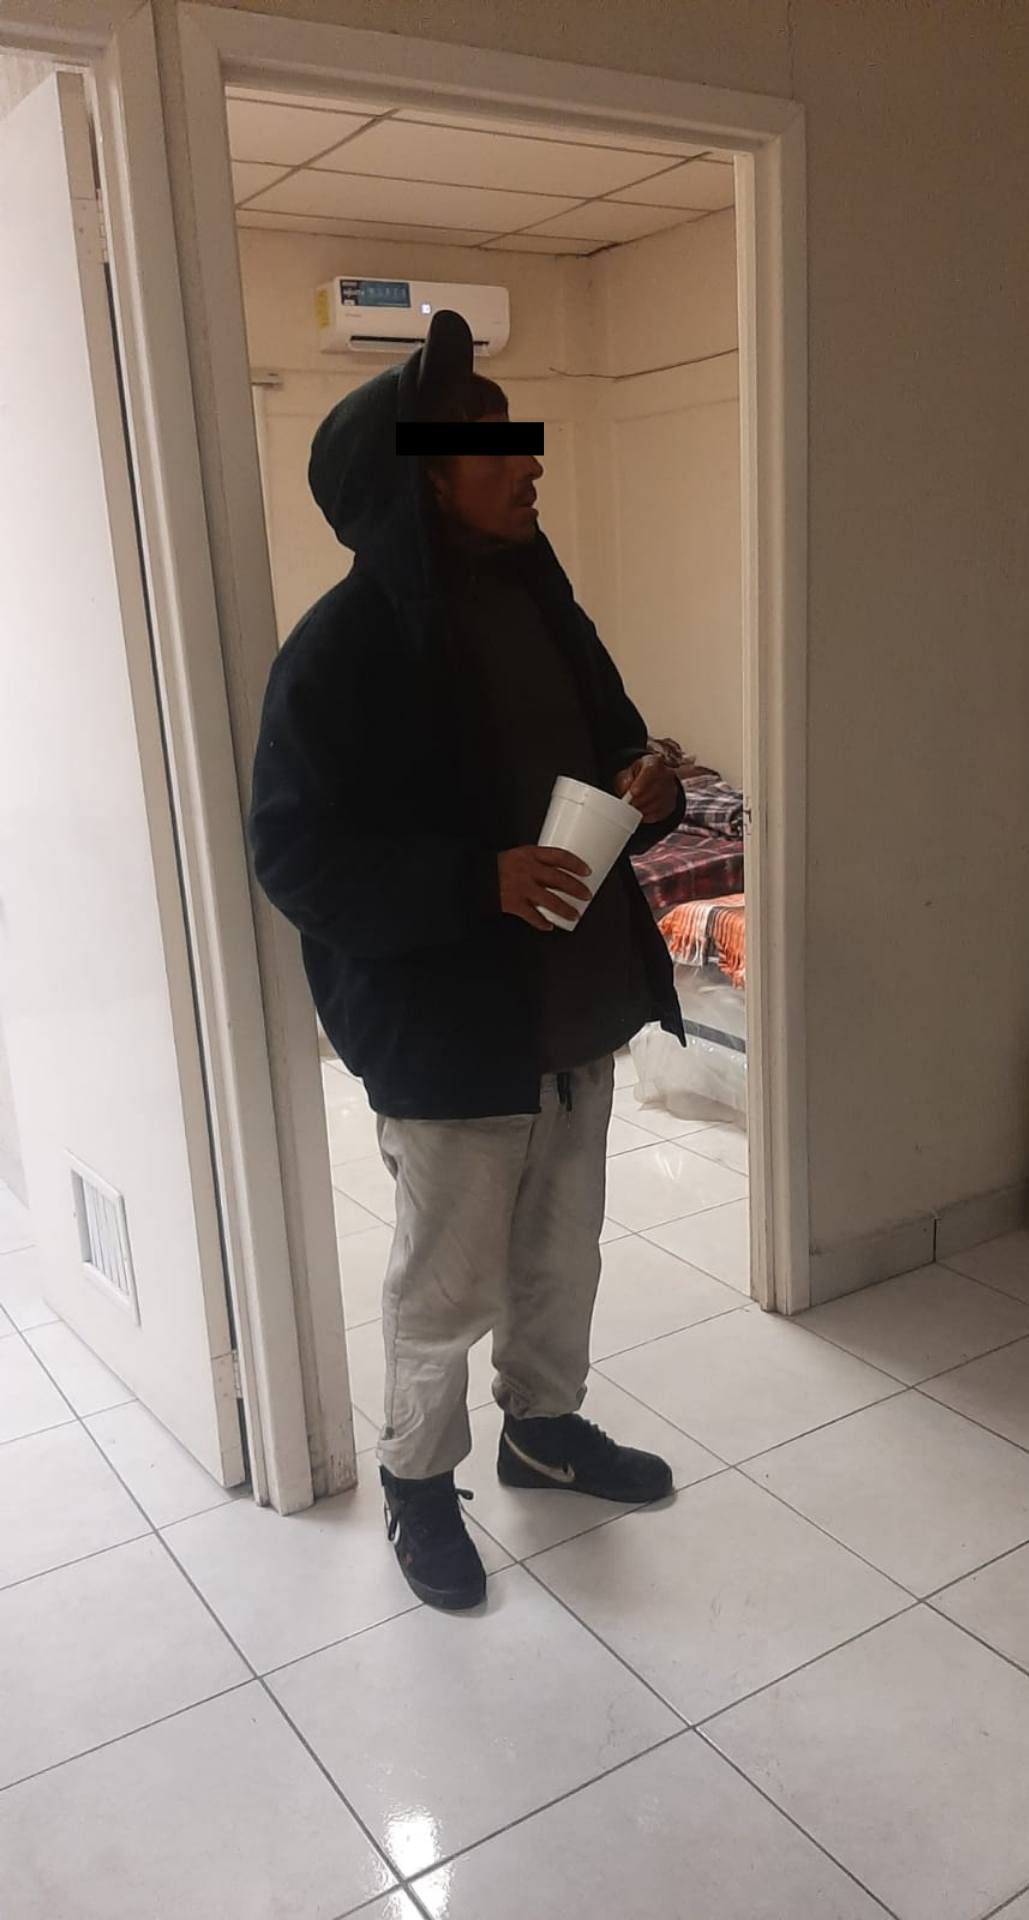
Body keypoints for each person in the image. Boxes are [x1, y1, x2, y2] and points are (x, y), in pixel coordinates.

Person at [250, 311, 686, 1612]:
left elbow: (616, 742)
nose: (528, 461)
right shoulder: (340, 652)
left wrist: (650, 781)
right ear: (419, 480)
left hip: (575, 1006)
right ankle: (419, 1480)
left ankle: (543, 1432)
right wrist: (471, 879)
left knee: (562, 1258)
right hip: (449, 1033)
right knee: (446, 1285)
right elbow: (295, 855)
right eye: (492, 445)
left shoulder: (546, 607)